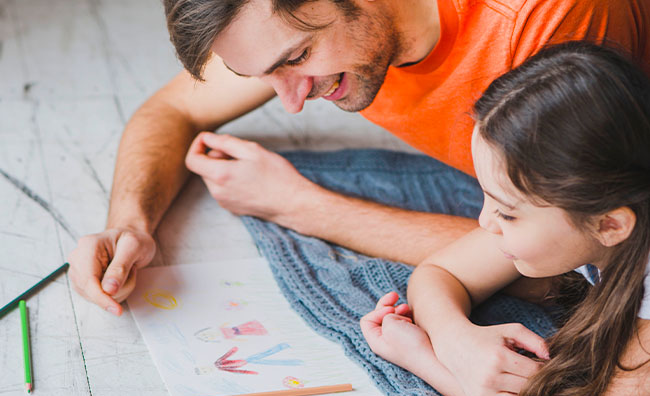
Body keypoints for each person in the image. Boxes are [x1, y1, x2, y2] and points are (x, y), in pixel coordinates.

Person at [68, 0, 650, 315]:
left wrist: (301, 206)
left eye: (296, 57)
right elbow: (171, 112)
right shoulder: (288, 30)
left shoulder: (548, 19)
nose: (290, 101)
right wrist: (130, 224)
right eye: (263, 74)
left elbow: (571, 257)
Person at [360, 41, 650, 396]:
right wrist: (456, 341)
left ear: (610, 225)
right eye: (486, 195)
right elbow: (442, 272)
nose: (483, 221)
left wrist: (424, 359)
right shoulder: (606, 207)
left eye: (509, 212)